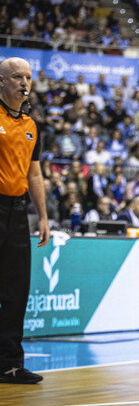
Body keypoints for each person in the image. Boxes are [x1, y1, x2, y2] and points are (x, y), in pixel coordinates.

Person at [0, 57, 50, 384]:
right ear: (1, 81)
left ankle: (10, 365)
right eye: (17, 76)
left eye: (28, 77)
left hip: (17, 212)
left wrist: (43, 216)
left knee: (16, 291)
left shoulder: (31, 125)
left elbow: (34, 173)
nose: (24, 82)